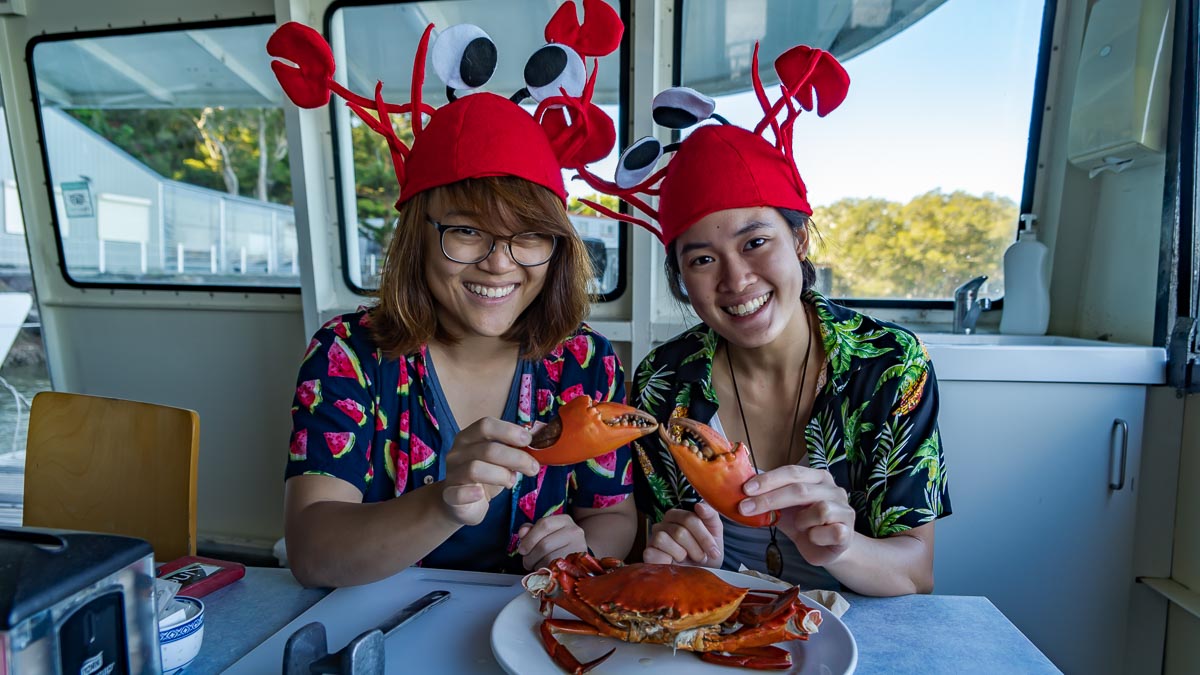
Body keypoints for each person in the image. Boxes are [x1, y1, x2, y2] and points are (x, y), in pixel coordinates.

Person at [271, 8, 636, 588]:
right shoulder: (347, 353)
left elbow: (611, 513)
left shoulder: (588, 362)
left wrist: (581, 545)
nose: (499, 262)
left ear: (557, 245)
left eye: (529, 235)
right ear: (420, 236)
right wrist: (444, 502)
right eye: (467, 230)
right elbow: (313, 551)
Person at [584, 45, 950, 595]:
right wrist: (665, 546)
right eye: (701, 259)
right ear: (681, 277)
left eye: (756, 242)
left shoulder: (891, 364)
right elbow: (645, 555)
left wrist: (843, 546)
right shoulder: (664, 378)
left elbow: (915, 575)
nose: (735, 281)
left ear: (799, 240)